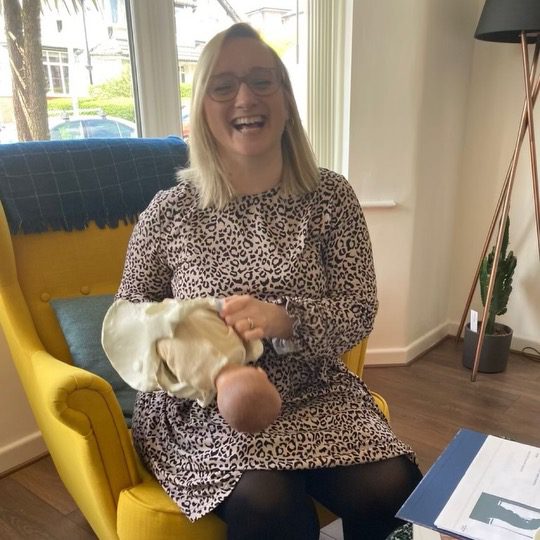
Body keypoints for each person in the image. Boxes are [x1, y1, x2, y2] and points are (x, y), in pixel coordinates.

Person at [116, 21, 422, 540]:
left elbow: (358, 306)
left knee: (393, 486)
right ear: (204, 107)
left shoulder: (331, 197)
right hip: (207, 408)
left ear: (284, 98)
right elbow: (128, 313)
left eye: (262, 80)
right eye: (223, 85)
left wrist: (287, 320)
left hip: (314, 390)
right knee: (268, 501)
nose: (244, 97)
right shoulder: (170, 210)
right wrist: (206, 359)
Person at [102, 297, 282, 433]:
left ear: (260, 373)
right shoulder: (198, 386)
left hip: (179, 315)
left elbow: (251, 342)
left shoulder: (239, 351)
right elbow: (171, 384)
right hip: (162, 335)